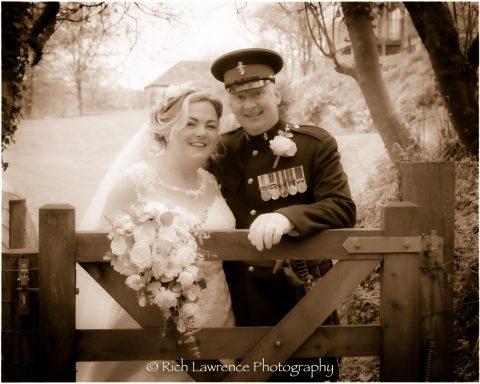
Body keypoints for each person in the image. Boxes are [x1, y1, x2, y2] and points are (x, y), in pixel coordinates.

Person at [210, 48, 356, 381]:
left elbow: (342, 207)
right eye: (239, 96)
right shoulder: (221, 151)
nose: (250, 104)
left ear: (276, 92)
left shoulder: (314, 144)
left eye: (258, 93)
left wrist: (288, 217)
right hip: (239, 301)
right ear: (230, 102)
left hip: (300, 296)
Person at [76, 85, 235, 381]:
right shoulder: (134, 183)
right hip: (149, 323)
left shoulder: (212, 181)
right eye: (191, 122)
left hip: (218, 314)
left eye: (211, 125)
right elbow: (97, 259)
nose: (202, 132)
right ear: (166, 127)